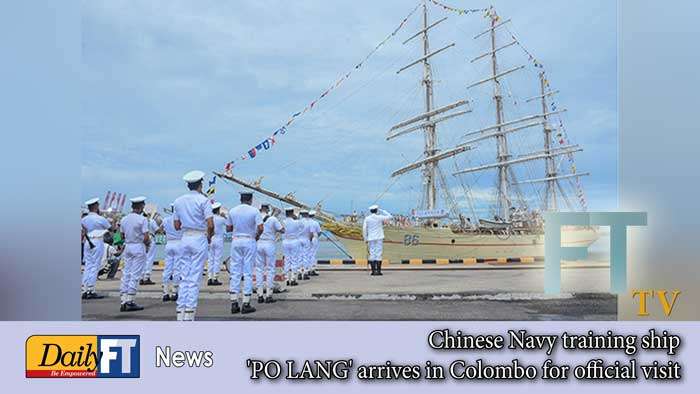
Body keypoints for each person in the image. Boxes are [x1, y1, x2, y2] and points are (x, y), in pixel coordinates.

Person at [173, 170, 215, 321]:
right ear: (200, 184)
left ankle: (180, 312)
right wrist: (209, 237)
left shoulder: (178, 201)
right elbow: (210, 224)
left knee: (184, 276)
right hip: (199, 237)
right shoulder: (204, 201)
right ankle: (190, 313)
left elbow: (176, 225)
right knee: (195, 277)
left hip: (184, 237)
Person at [226, 192, 263, 314]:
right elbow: (261, 227)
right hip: (249, 240)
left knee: (235, 271)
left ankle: (234, 303)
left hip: (236, 241)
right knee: (247, 272)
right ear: (251, 200)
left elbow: (228, 228)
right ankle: (246, 303)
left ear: (240, 199)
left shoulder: (232, 211)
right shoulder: (254, 211)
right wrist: (256, 235)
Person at [118, 196, 150, 312]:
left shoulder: (124, 219)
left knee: (126, 273)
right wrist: (147, 244)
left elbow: (121, 236)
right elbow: (146, 237)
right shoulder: (142, 219)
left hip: (128, 246)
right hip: (138, 246)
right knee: (135, 274)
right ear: (141, 206)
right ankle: (130, 300)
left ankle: (123, 299)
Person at [81, 197, 112, 299]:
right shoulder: (100, 219)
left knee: (88, 265)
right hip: (97, 241)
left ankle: (84, 289)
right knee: (95, 265)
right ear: (96, 206)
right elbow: (110, 227)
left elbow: (83, 230)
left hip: (87, 241)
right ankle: (91, 289)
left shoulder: (84, 219)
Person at [255, 204, 284, 303]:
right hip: (269, 244)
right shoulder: (272, 219)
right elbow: (282, 230)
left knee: (259, 269)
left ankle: (259, 295)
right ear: (267, 210)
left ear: (260, 209)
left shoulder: (256, 217)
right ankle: (268, 295)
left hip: (258, 244)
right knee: (270, 269)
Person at [362, 204, 392, 276]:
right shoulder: (379, 217)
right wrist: (382, 210)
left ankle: (373, 271)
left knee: (372, 253)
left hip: (371, 238)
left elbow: (364, 229)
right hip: (379, 237)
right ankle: (378, 271)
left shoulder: (367, 218)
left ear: (370, 211)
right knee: (379, 253)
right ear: (376, 210)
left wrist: (365, 238)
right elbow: (390, 216)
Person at [162, 204, 183, 302]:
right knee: (177, 268)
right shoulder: (181, 220)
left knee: (167, 268)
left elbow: (161, 230)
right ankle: (175, 291)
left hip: (169, 243)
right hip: (179, 243)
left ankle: (165, 292)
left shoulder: (165, 219)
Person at [207, 202, 227, 286]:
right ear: (218, 210)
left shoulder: (209, 218)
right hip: (218, 239)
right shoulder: (221, 219)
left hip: (210, 238)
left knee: (210, 259)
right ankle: (215, 277)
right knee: (217, 259)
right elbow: (229, 223)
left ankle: (209, 277)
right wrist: (224, 216)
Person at [282, 207, 302, 286]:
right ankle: (293, 278)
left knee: (287, 259)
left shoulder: (283, 222)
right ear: (292, 213)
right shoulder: (296, 222)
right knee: (294, 259)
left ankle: (286, 278)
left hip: (285, 241)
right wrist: (296, 217)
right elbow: (302, 227)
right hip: (294, 241)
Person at [140, 213, 160, 285]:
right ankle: (146, 277)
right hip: (150, 238)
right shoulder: (151, 221)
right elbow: (157, 230)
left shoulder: (140, 221)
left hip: (141, 240)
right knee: (150, 258)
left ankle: (141, 277)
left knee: (142, 259)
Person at [297, 210, 313, 280]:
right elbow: (311, 233)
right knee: (306, 256)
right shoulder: (309, 222)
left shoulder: (297, 222)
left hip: (298, 239)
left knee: (299, 256)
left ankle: (299, 272)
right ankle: (305, 273)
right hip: (306, 239)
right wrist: (310, 239)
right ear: (307, 215)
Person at [308, 210, 322, 276]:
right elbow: (319, 232)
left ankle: (306, 269)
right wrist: (316, 237)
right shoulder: (315, 223)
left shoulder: (306, 222)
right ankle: (312, 269)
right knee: (313, 254)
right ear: (314, 216)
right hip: (314, 238)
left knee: (306, 254)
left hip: (306, 239)